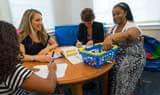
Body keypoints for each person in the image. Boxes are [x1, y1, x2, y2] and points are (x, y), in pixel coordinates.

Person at [0, 21, 57, 95]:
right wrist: (52, 69)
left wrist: (25, 71)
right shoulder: (11, 70)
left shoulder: (4, 65)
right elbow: (50, 88)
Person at [102, 2, 146, 95]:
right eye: (113, 14)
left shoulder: (132, 25)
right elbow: (106, 39)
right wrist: (107, 37)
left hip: (134, 56)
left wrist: (111, 37)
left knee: (122, 71)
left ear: (125, 13)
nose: (115, 16)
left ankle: (127, 91)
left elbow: (129, 35)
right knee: (103, 66)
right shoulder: (113, 27)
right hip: (118, 55)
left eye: (118, 13)